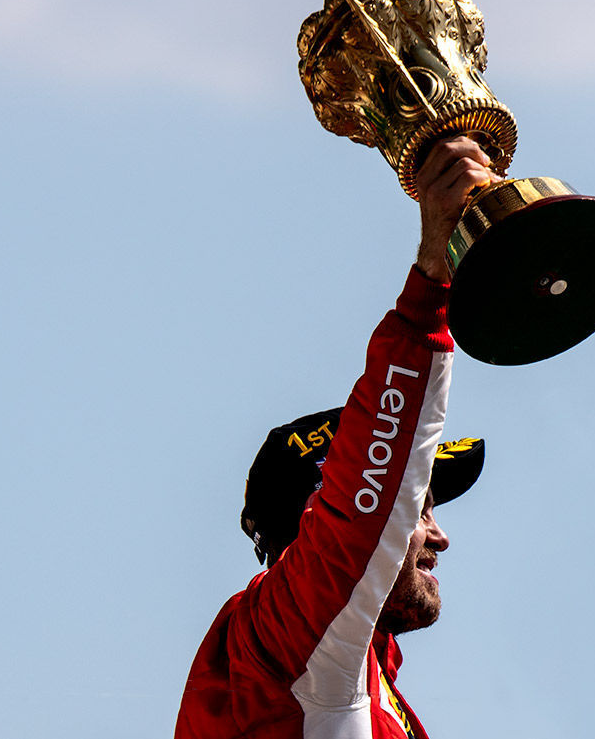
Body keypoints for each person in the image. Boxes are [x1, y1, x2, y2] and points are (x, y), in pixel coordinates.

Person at [175, 136, 499, 739]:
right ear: (322, 515)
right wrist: (433, 281)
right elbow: (363, 518)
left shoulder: (355, 679)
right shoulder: (284, 643)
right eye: (418, 506)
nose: (441, 535)